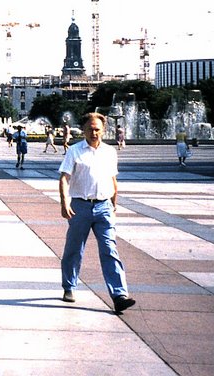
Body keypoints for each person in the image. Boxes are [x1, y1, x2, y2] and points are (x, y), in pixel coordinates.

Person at [58, 112, 136, 313]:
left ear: (103, 130)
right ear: (83, 129)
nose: (94, 133)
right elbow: (64, 178)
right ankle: (69, 286)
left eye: (97, 129)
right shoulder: (74, 151)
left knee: (110, 249)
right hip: (80, 207)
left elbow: (113, 180)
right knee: (74, 249)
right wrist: (64, 202)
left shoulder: (110, 152)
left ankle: (119, 295)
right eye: (90, 129)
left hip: (104, 207)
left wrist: (114, 204)